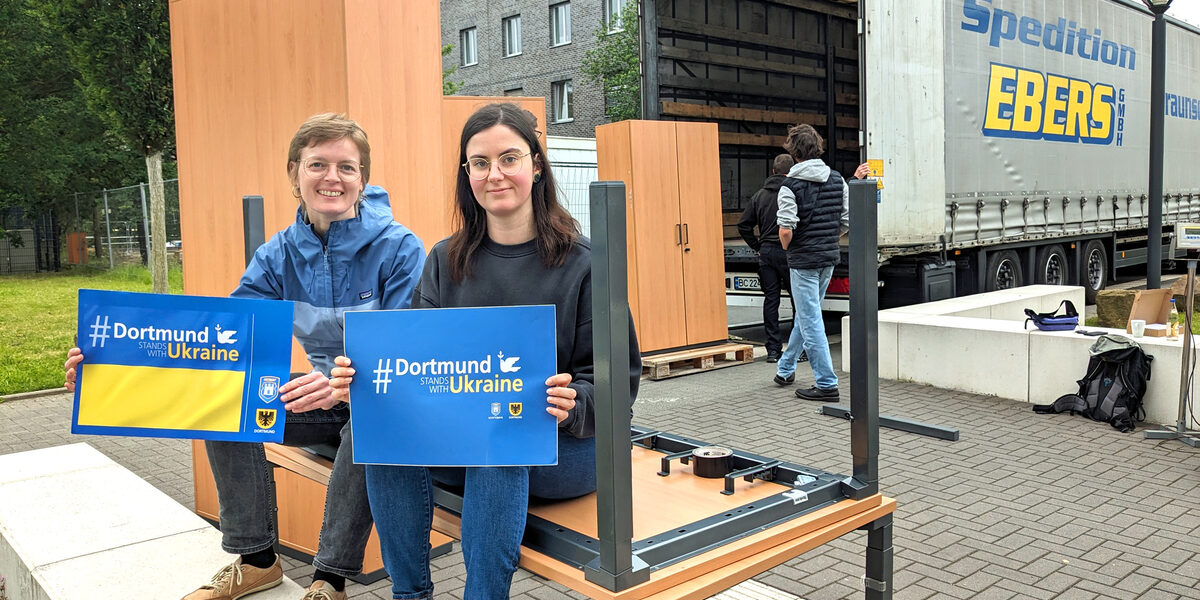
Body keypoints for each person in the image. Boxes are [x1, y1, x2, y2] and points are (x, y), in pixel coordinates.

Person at [64, 114, 427, 600]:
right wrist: (106, 365)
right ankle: (257, 560)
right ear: (294, 173)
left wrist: (345, 382)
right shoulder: (276, 254)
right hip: (318, 392)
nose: (332, 178)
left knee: (369, 422)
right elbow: (225, 343)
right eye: (318, 164)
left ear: (363, 178)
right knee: (225, 397)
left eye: (347, 167)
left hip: (387, 396)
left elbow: (407, 349)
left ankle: (329, 580)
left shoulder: (401, 248)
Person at [328, 102, 641, 600]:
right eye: (479, 163)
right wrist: (364, 379)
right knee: (384, 438)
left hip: (566, 449)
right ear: (466, 173)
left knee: (501, 439)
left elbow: (618, 386)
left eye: (509, 159)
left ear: (536, 166)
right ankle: (410, 595)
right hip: (463, 439)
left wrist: (573, 401)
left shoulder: (584, 264)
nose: (494, 174)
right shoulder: (444, 260)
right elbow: (410, 365)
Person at [771, 124, 851, 401]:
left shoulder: (789, 186)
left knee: (811, 319)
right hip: (828, 256)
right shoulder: (837, 179)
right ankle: (785, 368)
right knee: (809, 314)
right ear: (818, 148)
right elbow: (846, 220)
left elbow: (785, 229)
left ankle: (827, 384)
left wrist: (789, 247)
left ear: (794, 153)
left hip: (803, 259)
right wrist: (827, 238)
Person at [737, 153, 797, 363]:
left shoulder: (759, 196)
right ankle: (799, 349)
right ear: (791, 172)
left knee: (771, 300)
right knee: (798, 300)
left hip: (767, 254)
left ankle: (773, 350)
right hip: (789, 252)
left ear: (773, 171)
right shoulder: (793, 193)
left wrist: (757, 246)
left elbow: (743, 225)